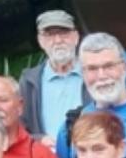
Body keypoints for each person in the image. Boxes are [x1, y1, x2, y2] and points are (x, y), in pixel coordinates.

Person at [19, 10, 89, 147]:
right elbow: (18, 126)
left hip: (89, 156)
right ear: (40, 40)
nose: (57, 40)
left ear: (76, 37)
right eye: (50, 34)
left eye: (64, 33)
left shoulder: (94, 73)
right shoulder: (29, 81)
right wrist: (38, 139)